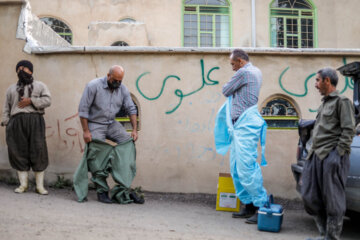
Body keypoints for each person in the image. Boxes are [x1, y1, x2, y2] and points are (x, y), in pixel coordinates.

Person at [214, 49, 267, 224]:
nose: (232, 68)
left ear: (240, 61)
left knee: (246, 167)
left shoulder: (245, 72)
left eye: (232, 64)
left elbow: (226, 89)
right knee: (236, 168)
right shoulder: (256, 71)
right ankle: (249, 206)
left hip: (245, 124)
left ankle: (261, 207)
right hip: (241, 125)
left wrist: (231, 88)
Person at [301, 68, 355, 240]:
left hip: (332, 156)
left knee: (333, 201)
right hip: (316, 155)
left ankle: (331, 237)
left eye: (317, 80)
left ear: (327, 81)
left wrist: (337, 155)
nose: (315, 85)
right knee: (309, 196)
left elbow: (348, 130)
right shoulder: (325, 103)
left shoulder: (342, 101)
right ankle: (324, 234)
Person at [75, 65, 142, 204]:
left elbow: (131, 108)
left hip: (112, 123)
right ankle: (102, 191)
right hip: (95, 123)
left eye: (120, 81)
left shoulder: (122, 89)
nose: (117, 83)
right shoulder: (93, 86)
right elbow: (83, 110)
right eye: (115, 80)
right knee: (97, 154)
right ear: (108, 75)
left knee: (127, 142)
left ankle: (123, 188)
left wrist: (134, 130)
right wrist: (86, 131)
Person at [1, 60, 51, 195]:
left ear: (31, 70)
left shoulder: (40, 86)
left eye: (24, 68)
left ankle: (39, 186)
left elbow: (48, 101)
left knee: (38, 150)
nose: (21, 71)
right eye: (19, 69)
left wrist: (31, 101)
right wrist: (6, 122)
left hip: (35, 121)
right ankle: (23, 185)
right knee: (18, 151)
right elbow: (6, 107)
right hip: (16, 122)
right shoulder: (11, 89)